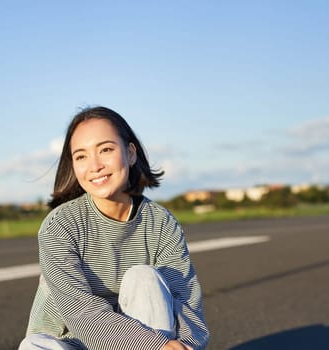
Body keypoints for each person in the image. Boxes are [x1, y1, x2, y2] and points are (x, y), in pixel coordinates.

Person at [20, 106, 209, 350]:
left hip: (147, 344)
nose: (95, 165)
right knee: (34, 346)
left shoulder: (161, 223)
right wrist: (155, 346)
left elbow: (186, 303)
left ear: (130, 153)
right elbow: (79, 311)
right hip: (70, 342)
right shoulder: (60, 225)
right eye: (81, 156)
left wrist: (186, 347)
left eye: (106, 149)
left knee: (144, 277)